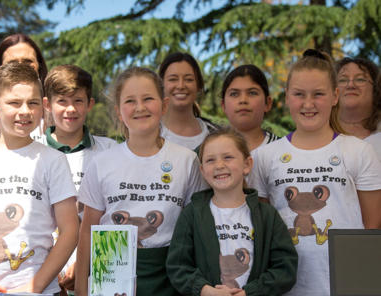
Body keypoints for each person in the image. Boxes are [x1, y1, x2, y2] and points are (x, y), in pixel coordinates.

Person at [249, 49, 381, 296]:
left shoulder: (359, 151)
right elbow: (262, 229)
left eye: (318, 94)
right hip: (285, 284)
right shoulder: (264, 157)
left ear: (335, 96)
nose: (308, 104)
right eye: (299, 94)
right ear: (287, 97)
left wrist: (362, 285)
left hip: (346, 285)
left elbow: (371, 227)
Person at [75, 67, 206, 296]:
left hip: (170, 276)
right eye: (130, 101)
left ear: (164, 105)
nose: (140, 107)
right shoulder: (101, 162)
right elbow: (87, 232)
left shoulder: (186, 160)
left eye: (148, 99)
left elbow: (196, 230)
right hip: (109, 273)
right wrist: (81, 289)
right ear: (118, 112)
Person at [0, 62, 78, 295]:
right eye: (14, 102)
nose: (25, 111)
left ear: (43, 106)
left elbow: (70, 230)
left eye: (32, 103)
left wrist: (35, 287)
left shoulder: (53, 160)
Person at [166, 128, 297, 296]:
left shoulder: (267, 215)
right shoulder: (192, 214)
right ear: (202, 171)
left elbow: (285, 269)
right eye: (210, 160)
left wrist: (250, 292)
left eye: (228, 157)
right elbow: (178, 267)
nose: (219, 165)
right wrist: (205, 291)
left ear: (247, 164)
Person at [42, 65, 116, 294]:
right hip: (42, 274)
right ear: (47, 105)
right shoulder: (34, 153)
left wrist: (86, 263)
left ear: (90, 104)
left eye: (78, 101)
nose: (70, 109)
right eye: (62, 101)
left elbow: (114, 215)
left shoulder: (110, 151)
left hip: (97, 271)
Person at [0, 33, 48, 141]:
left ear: (39, 67)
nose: (21, 68)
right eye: (12, 64)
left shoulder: (58, 117)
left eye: (28, 62)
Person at [159, 52, 219, 151]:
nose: (181, 86)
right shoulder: (149, 134)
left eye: (189, 79)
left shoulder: (215, 134)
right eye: (173, 79)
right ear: (161, 85)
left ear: (198, 86)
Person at [221, 65, 279, 152]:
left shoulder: (286, 151)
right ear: (223, 105)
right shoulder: (207, 152)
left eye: (252, 93)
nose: (243, 100)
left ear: (268, 103)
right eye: (234, 94)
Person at [336, 57, 381, 160]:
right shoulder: (318, 136)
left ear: (375, 89)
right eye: (343, 80)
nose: (350, 85)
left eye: (360, 79)